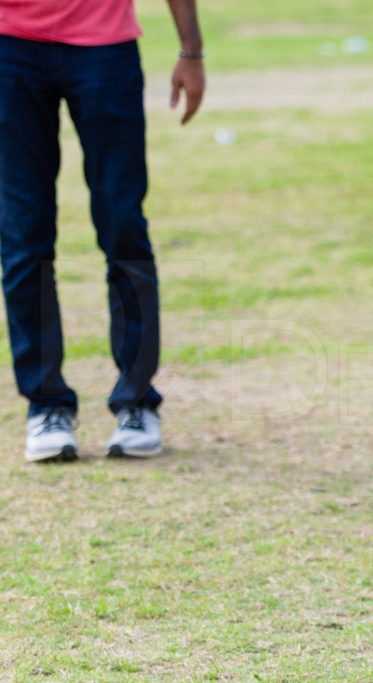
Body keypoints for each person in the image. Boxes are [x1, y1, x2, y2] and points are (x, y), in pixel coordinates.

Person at [0, 0, 205, 462]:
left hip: (105, 49)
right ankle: (45, 403)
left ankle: (135, 400)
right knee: (22, 233)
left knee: (123, 225)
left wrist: (191, 50)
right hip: (11, 47)